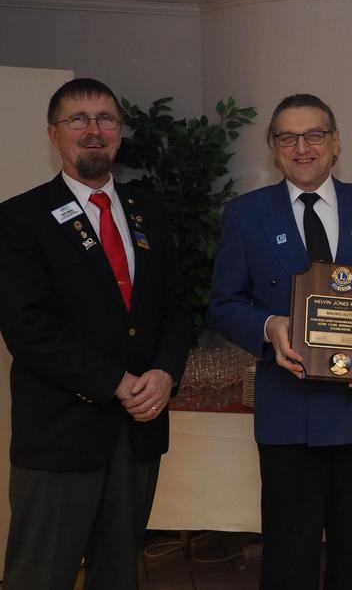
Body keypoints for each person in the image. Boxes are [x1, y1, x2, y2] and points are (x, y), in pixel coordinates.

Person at [207, 93, 352, 590]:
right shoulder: (245, 214)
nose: (302, 147)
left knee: (351, 556)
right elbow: (224, 303)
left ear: (336, 142)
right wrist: (269, 327)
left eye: (314, 135)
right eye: (287, 138)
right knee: (289, 556)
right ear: (273, 148)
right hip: (288, 412)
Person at [0, 78, 193, 589]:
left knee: (118, 574)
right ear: (53, 134)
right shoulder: (19, 218)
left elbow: (177, 308)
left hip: (137, 435)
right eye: (78, 120)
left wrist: (165, 373)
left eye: (105, 119)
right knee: (39, 577)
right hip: (61, 436)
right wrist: (114, 381)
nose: (93, 130)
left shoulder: (148, 210)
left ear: (119, 133)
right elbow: (27, 327)